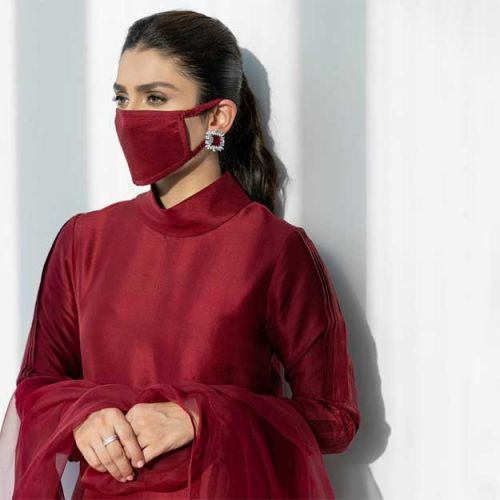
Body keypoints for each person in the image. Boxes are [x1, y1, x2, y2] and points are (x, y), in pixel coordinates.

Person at [0, 9, 361, 499]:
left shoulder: (275, 248)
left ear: (217, 117)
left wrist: (199, 417)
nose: (130, 117)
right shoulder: (83, 240)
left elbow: (334, 419)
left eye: (155, 98)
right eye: (122, 98)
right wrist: (83, 414)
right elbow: (36, 386)